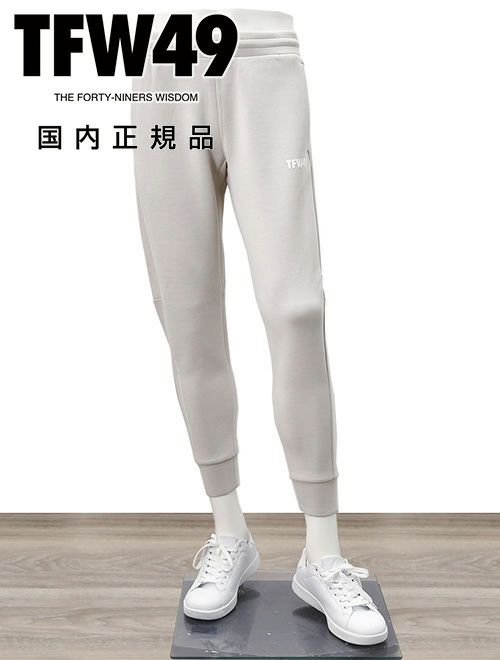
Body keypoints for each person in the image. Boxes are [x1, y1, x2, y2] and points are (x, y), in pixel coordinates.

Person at [133, 9, 388, 646]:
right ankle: (229, 533)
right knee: (186, 310)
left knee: (296, 308)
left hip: (263, 55)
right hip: (164, 64)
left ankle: (322, 554)